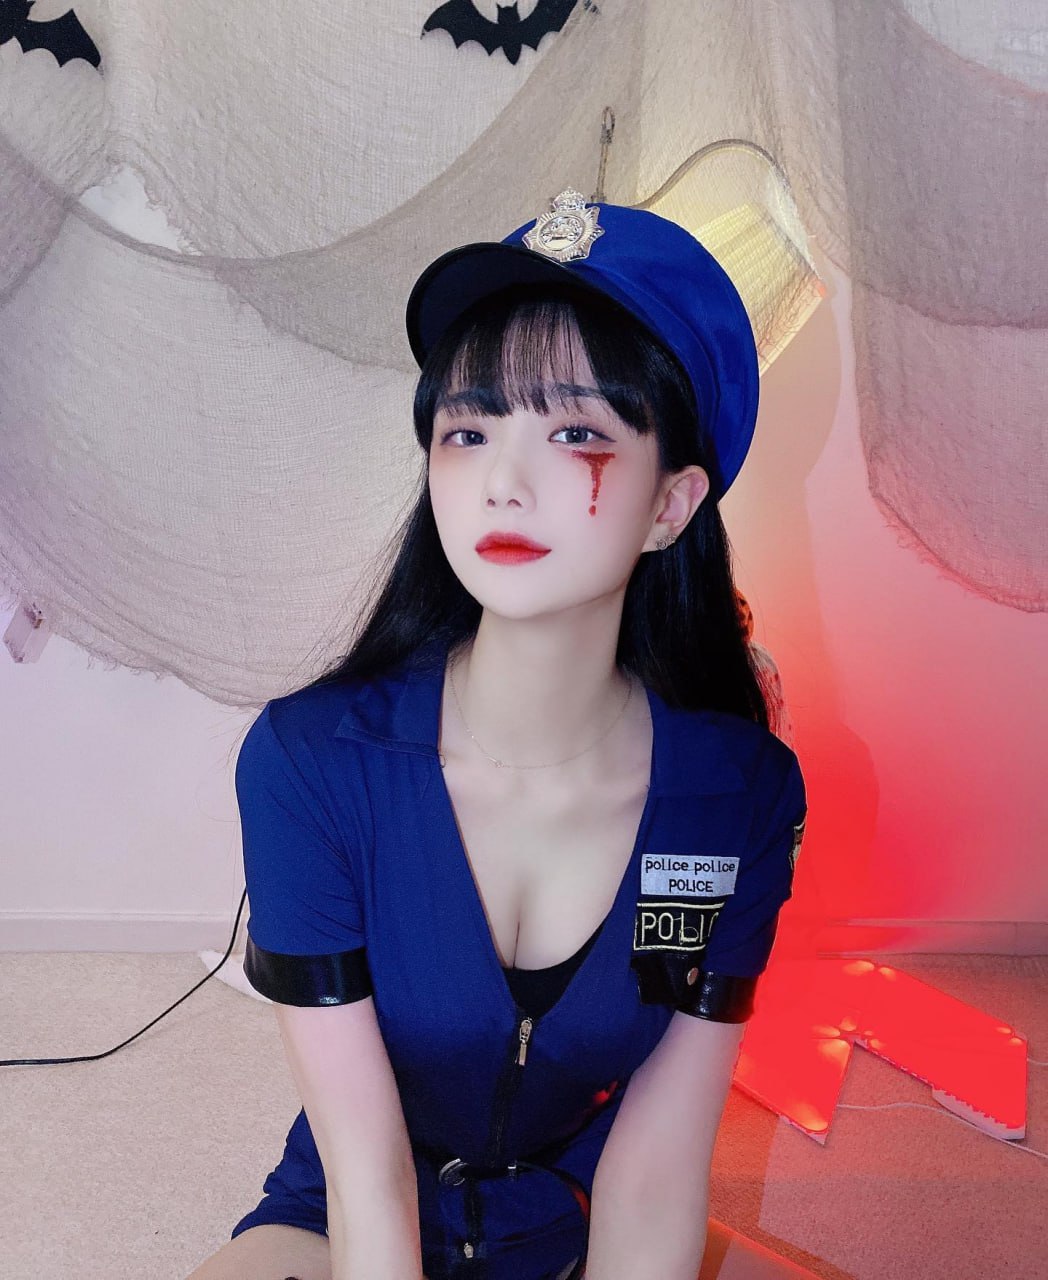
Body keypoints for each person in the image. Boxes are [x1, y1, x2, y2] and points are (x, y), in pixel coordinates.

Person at [186, 189, 808, 1280]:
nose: (502, 483)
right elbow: (367, 1175)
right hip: (348, 1223)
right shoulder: (311, 765)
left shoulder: (734, 798)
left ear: (671, 506)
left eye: (576, 433)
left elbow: (658, 1168)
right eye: (468, 432)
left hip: (582, 1211)